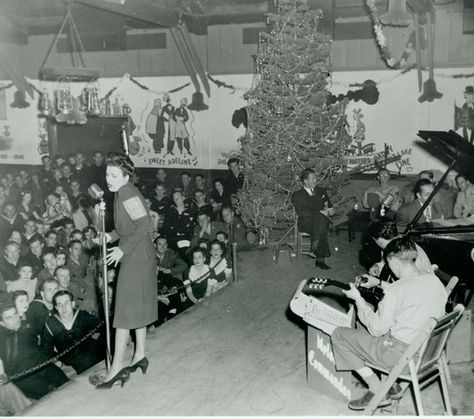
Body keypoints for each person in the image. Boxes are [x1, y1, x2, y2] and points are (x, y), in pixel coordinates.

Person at [331, 236, 447, 410]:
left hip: (400, 357)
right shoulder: (434, 281)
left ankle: (376, 388)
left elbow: (377, 329)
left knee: (339, 335)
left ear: (393, 260)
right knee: (380, 326)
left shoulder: (396, 291)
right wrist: (379, 283)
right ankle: (391, 384)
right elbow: (410, 291)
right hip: (427, 353)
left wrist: (358, 301)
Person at [96, 152, 157, 389]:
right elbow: (127, 228)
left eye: (113, 174)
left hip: (137, 258)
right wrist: (108, 236)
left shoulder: (126, 192)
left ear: (125, 176)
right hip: (139, 255)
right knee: (136, 307)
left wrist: (122, 250)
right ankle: (139, 354)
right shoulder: (121, 191)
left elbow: (144, 225)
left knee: (123, 312)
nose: (108, 178)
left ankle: (116, 369)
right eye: (107, 174)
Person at [0, 302, 68, 400]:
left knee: (67, 384)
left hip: (43, 365)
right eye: (9, 318)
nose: (15, 319)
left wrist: (56, 359)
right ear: (1, 323)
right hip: (24, 376)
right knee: (52, 393)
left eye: (15, 314)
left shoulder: (29, 327)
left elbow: (43, 346)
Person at [42, 290, 104, 374]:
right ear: (56, 307)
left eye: (67, 303)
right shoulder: (51, 325)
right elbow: (47, 350)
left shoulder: (82, 316)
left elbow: (102, 327)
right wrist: (60, 364)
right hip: (68, 364)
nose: (64, 308)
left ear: (73, 304)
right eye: (60, 305)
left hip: (90, 359)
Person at [292, 168, 333, 269]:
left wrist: (331, 210)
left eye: (316, 178)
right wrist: (320, 212)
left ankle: (314, 248)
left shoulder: (321, 191)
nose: (316, 180)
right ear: (305, 181)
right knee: (321, 221)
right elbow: (302, 213)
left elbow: (329, 207)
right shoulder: (297, 195)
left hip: (321, 222)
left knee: (321, 220)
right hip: (306, 223)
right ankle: (320, 258)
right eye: (313, 179)